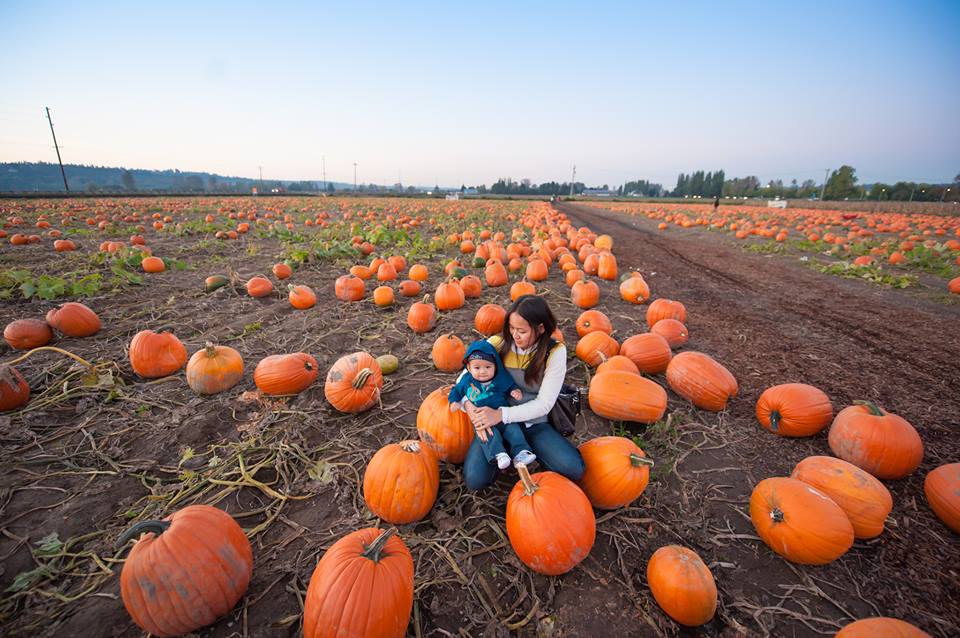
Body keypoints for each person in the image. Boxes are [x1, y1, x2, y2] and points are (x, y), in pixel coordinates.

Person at [462, 295, 585, 490]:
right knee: (475, 479)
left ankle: (532, 448)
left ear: (541, 328)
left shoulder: (554, 352)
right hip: (497, 424)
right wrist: (474, 412)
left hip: (533, 422)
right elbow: (463, 380)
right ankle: (508, 450)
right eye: (511, 328)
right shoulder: (497, 344)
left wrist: (502, 414)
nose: (515, 335)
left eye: (522, 331)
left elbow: (545, 403)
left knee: (573, 469)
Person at [449, 340, 532, 470]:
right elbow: (456, 390)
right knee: (488, 436)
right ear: (469, 368)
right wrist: (454, 401)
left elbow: (510, 385)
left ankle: (521, 452)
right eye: (477, 368)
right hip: (483, 419)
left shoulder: (499, 378)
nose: (482, 371)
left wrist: (514, 391)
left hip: (501, 414)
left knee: (513, 430)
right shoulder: (466, 381)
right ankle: (499, 454)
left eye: (488, 367)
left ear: (495, 366)